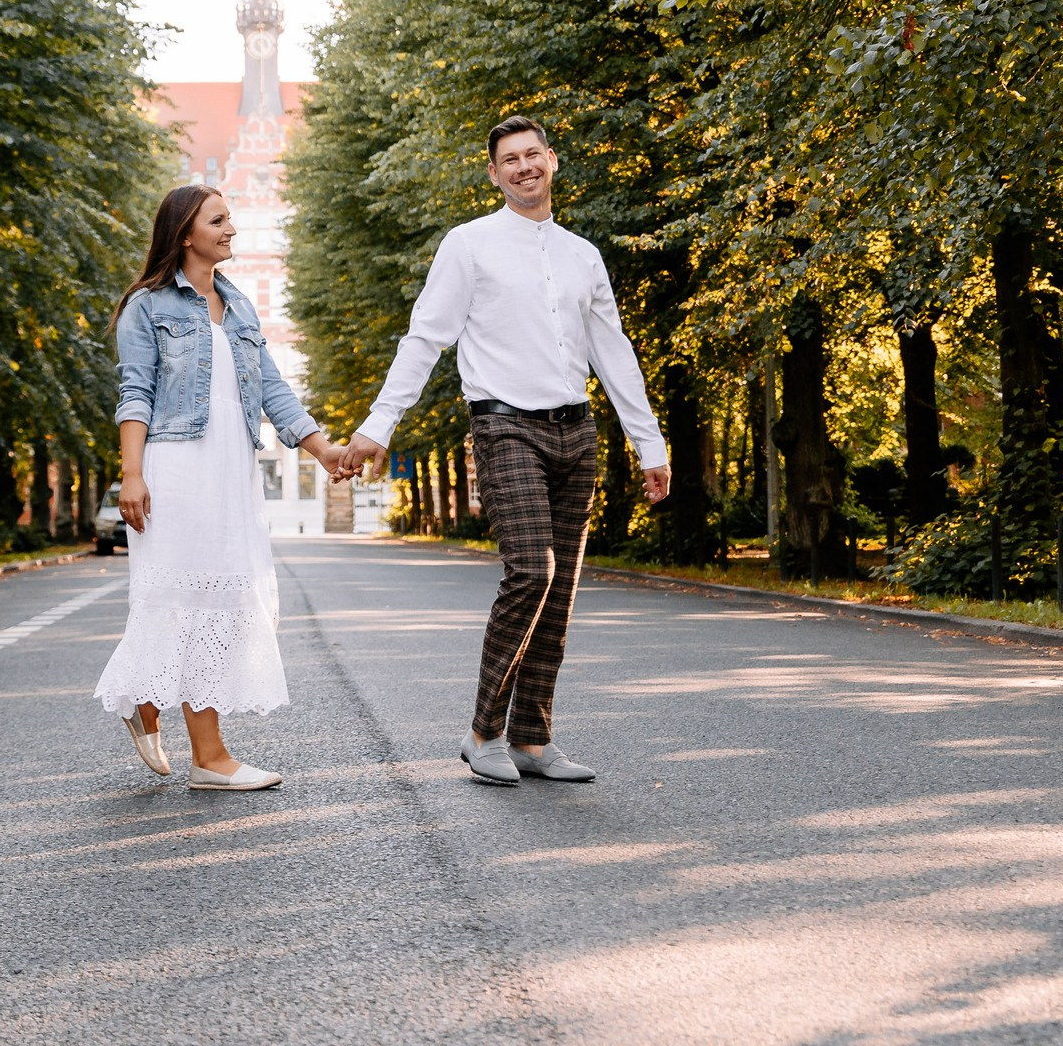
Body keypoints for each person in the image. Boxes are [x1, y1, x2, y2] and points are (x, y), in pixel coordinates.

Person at [339, 115, 670, 787]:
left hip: (576, 431)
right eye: (508, 159)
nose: (523, 166)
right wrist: (379, 423)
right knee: (532, 571)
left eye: (532, 155)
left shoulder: (583, 255)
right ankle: (484, 730)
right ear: (493, 173)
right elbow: (424, 337)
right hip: (503, 425)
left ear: (552, 161)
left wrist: (649, 443)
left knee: (562, 590)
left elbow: (614, 352)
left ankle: (533, 737)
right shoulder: (469, 245)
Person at [96, 184, 356, 791]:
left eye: (230, 219)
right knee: (188, 602)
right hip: (175, 469)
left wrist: (324, 451)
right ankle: (208, 756)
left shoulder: (238, 305)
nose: (232, 229)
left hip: (230, 469)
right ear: (186, 232)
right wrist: (131, 474)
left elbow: (272, 389)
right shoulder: (148, 306)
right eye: (219, 221)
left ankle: (149, 703)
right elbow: (134, 393)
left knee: (223, 599)